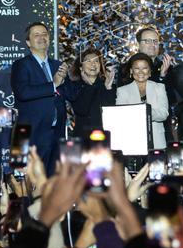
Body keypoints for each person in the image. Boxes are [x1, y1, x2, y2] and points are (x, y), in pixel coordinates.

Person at [10, 21, 67, 171]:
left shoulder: (57, 65)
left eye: (45, 34)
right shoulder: (21, 65)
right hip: (29, 135)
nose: (42, 37)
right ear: (28, 42)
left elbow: (66, 94)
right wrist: (53, 84)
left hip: (55, 134)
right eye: (36, 35)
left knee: (52, 185)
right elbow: (23, 92)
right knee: (28, 185)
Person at [115, 52, 170, 149]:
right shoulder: (122, 91)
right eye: (137, 68)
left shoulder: (159, 88)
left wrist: (146, 111)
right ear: (131, 71)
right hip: (132, 141)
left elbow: (164, 114)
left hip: (157, 142)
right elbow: (121, 116)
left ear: (149, 72)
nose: (141, 72)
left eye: (144, 68)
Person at [59, 47, 116, 136]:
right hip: (83, 139)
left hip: (105, 138)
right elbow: (81, 110)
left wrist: (108, 87)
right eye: (88, 61)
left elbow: (111, 113)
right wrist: (89, 86)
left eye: (96, 61)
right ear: (81, 67)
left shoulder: (107, 86)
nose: (93, 64)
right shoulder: (74, 86)